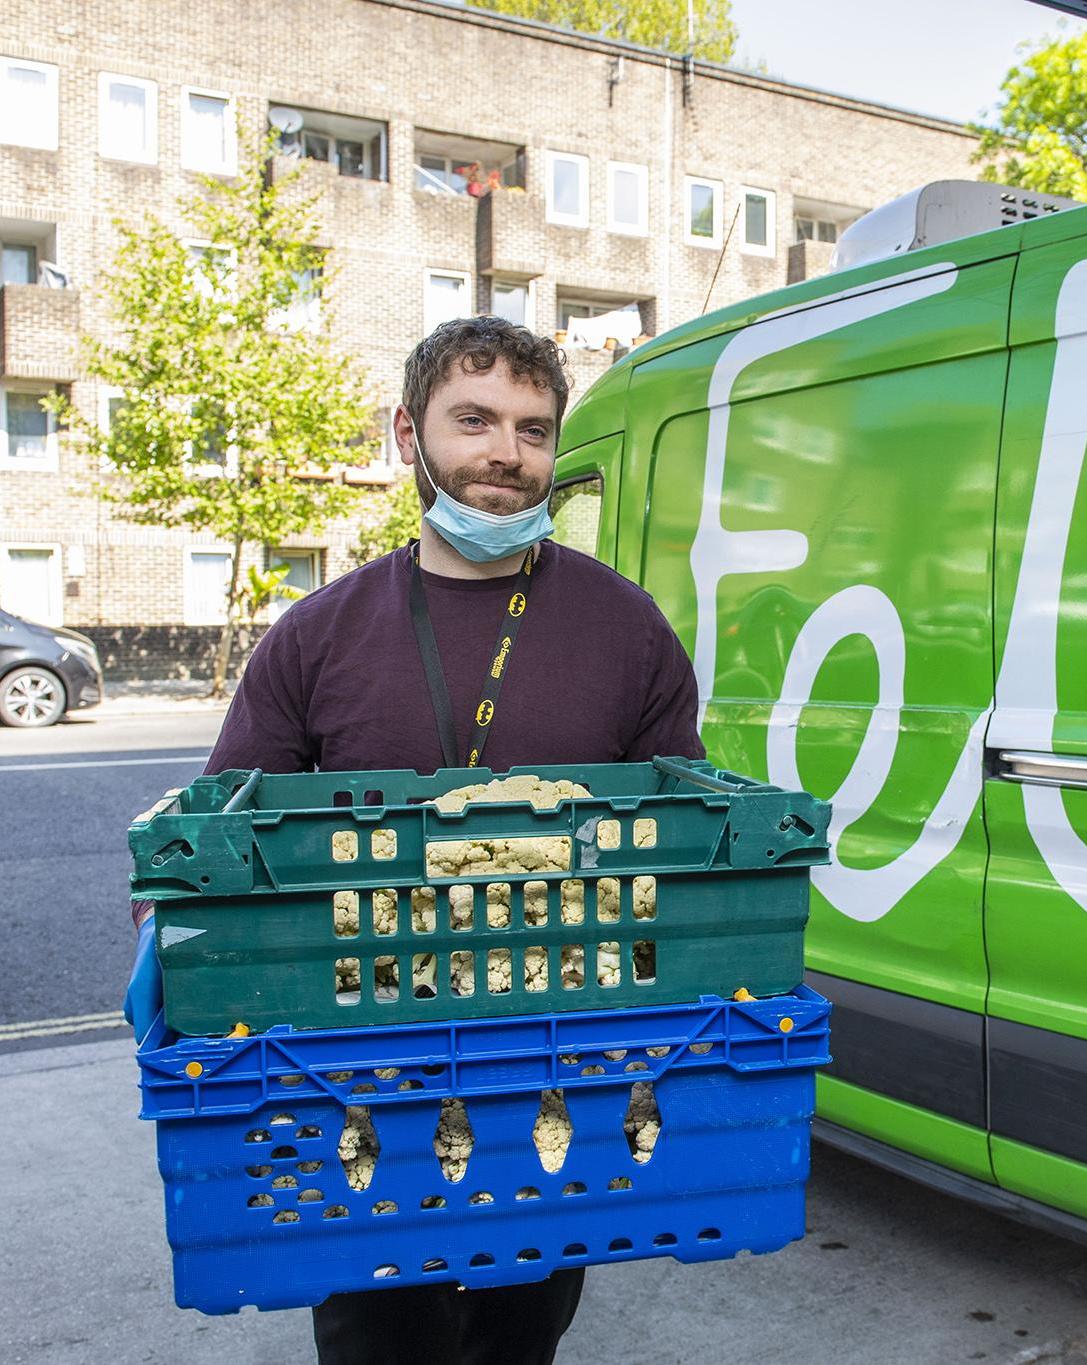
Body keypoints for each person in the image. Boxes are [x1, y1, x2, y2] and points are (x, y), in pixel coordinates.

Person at [123, 315, 705, 1364]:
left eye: (532, 429)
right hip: (350, 1062)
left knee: (522, 1327)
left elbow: (685, 837)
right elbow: (219, 830)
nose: (505, 453)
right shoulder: (318, 633)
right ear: (408, 434)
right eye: (473, 419)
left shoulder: (628, 629)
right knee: (375, 1332)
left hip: (550, 1051)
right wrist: (177, 937)